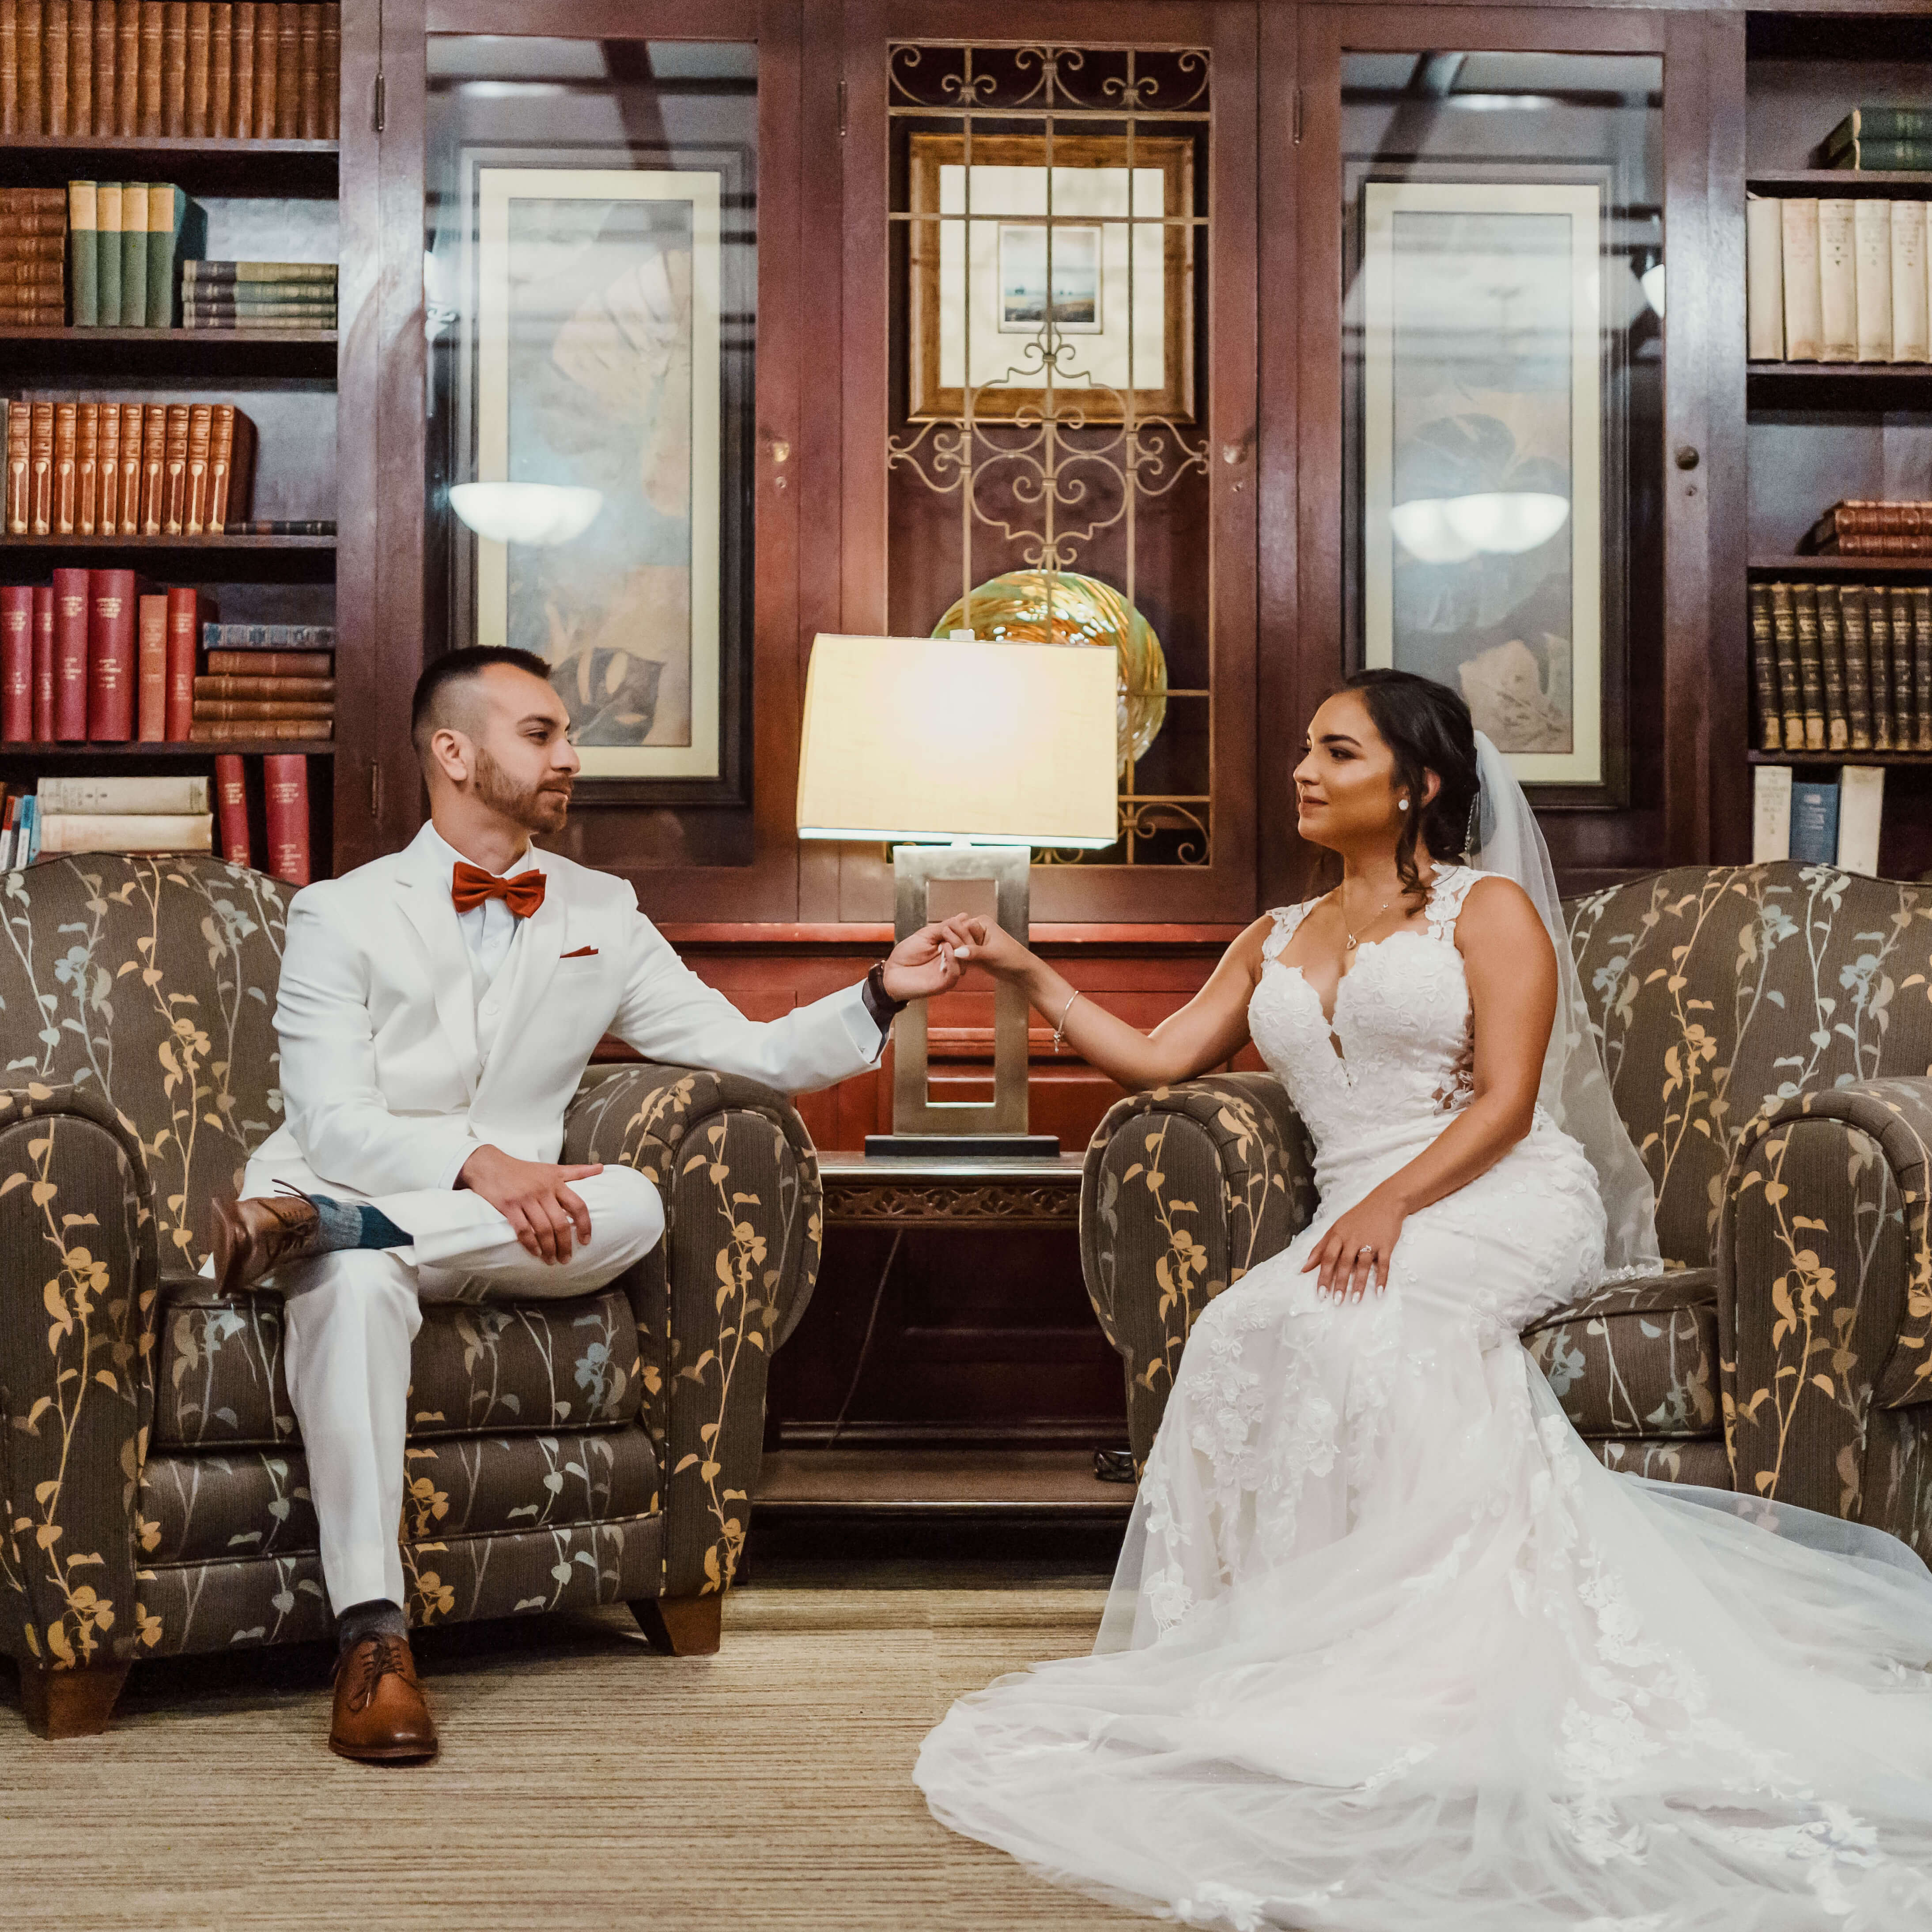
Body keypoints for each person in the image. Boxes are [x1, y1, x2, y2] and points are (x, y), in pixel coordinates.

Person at [915, 669, 1932, 1928]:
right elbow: (1160, 1056)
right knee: (1244, 1327)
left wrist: (1395, 1205)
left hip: (1496, 1193)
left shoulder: (1486, 912)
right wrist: (1022, 969)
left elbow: (1509, 1103)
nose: (1303, 770)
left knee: (1375, 1327)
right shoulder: (1271, 937)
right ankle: (1266, 1648)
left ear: (1420, 785)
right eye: (1305, 747)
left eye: (1337, 753)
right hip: (1362, 1207)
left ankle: (1433, 1664)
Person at [212, 645, 966, 1766]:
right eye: (540, 733)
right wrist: (477, 1163)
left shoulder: (602, 908)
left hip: (506, 1233)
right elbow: (331, 1124)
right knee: (359, 1280)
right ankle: (374, 1642)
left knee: (640, 1201)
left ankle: (324, 1228)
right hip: (373, 1188)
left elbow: (742, 1050)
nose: (571, 756)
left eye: (567, 734)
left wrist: (878, 989)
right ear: (454, 752)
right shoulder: (339, 912)